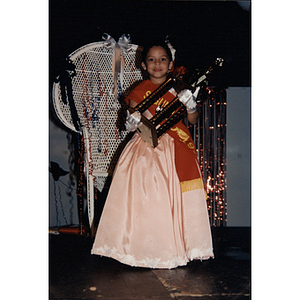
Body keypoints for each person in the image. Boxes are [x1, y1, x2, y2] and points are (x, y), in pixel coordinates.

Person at [91, 38, 214, 269]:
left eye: (162, 59)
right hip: (146, 147)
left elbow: (192, 121)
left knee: (171, 197)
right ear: (144, 65)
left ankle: (176, 247)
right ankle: (140, 249)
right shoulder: (138, 90)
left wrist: (191, 106)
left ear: (170, 64)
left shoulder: (180, 88)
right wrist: (131, 121)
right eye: (151, 60)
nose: (157, 64)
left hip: (176, 148)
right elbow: (129, 122)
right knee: (147, 197)